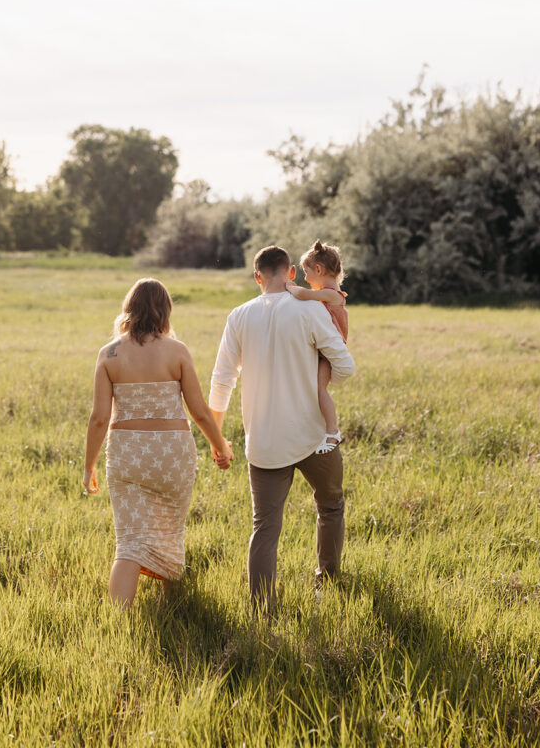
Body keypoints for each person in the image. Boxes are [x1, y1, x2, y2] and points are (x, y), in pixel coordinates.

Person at [208, 245, 355, 613]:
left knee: (265, 527)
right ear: (291, 273)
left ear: (257, 277)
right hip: (314, 436)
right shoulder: (309, 310)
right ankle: (328, 580)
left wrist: (218, 437)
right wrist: (318, 380)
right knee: (331, 505)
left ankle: (262, 610)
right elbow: (346, 366)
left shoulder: (238, 316)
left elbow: (222, 379)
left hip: (264, 442)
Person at [83, 278, 233, 607]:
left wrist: (88, 466)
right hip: (172, 456)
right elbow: (200, 413)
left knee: (129, 543)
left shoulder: (108, 354)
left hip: (127, 457)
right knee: (169, 532)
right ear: (165, 310)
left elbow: (98, 418)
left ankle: (119, 619)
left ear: (129, 309)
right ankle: (172, 610)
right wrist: (221, 446)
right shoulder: (177, 351)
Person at [286, 239, 349, 454]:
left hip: (328, 356)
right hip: (322, 353)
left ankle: (332, 432)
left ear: (319, 270)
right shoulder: (329, 294)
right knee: (314, 389)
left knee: (320, 390)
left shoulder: (332, 295)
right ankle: (319, 428)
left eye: (306, 272)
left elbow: (304, 295)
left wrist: (289, 287)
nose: (305, 277)